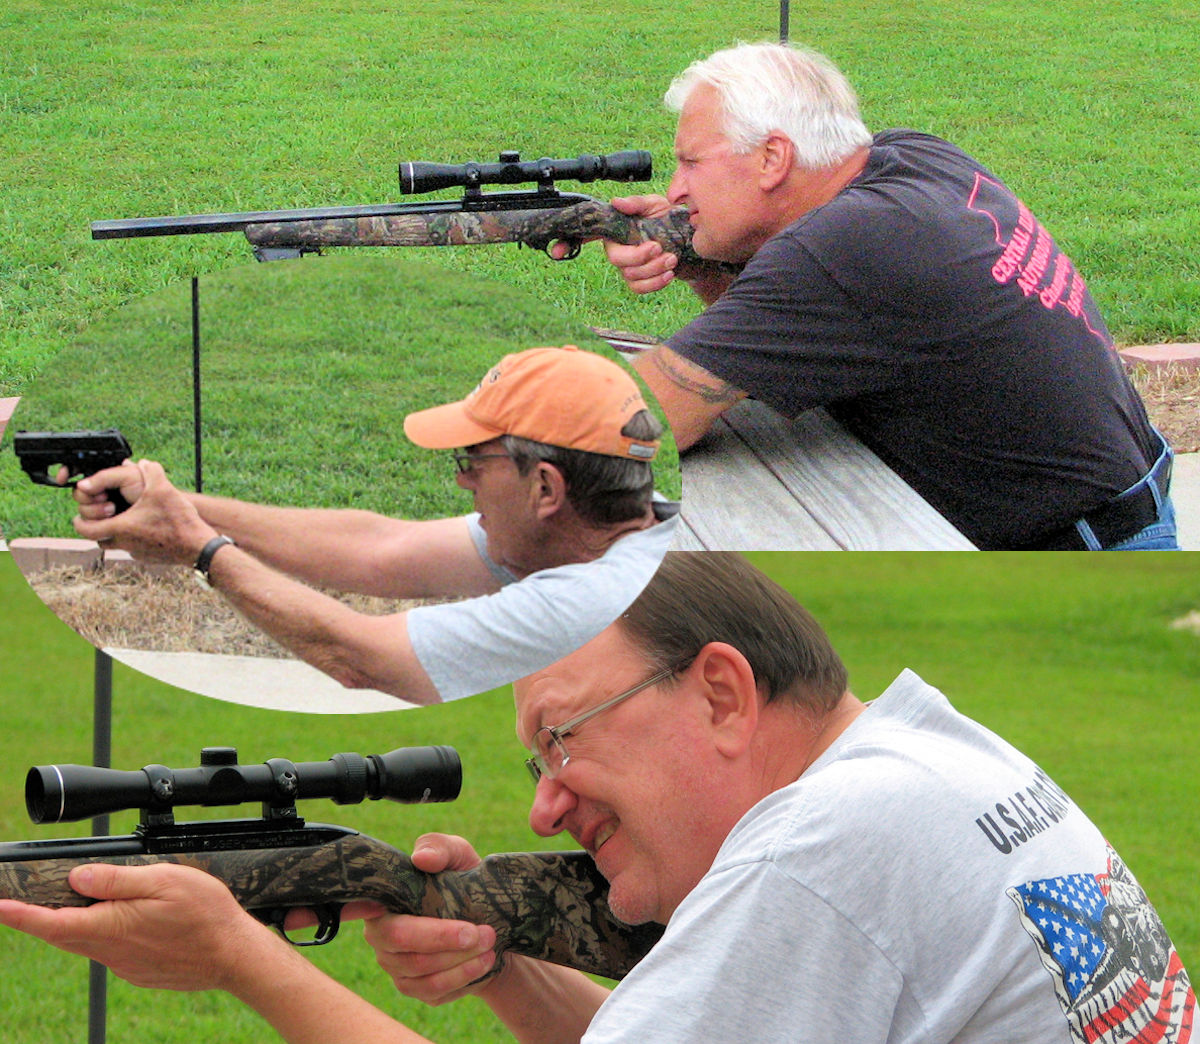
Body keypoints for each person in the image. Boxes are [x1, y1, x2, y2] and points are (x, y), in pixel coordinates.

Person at [0, 552, 1192, 1043]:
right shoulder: (931, 760)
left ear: (721, 693)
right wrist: (506, 969)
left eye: (561, 740)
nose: (543, 809)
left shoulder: (818, 852)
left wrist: (242, 959)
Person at [598, 42, 1176, 550]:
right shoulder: (915, 158)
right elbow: (776, 332)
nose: (676, 188)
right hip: (1120, 503)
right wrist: (699, 256)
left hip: (1078, 553)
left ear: (773, 158)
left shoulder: (839, 250)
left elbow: (632, 422)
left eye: (691, 162)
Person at [66, 344, 678, 703]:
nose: (463, 481)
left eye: (472, 461)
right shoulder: (600, 531)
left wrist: (200, 549)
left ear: (545, 488)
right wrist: (173, 503)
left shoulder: (588, 601)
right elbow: (379, 549)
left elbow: (357, 656)